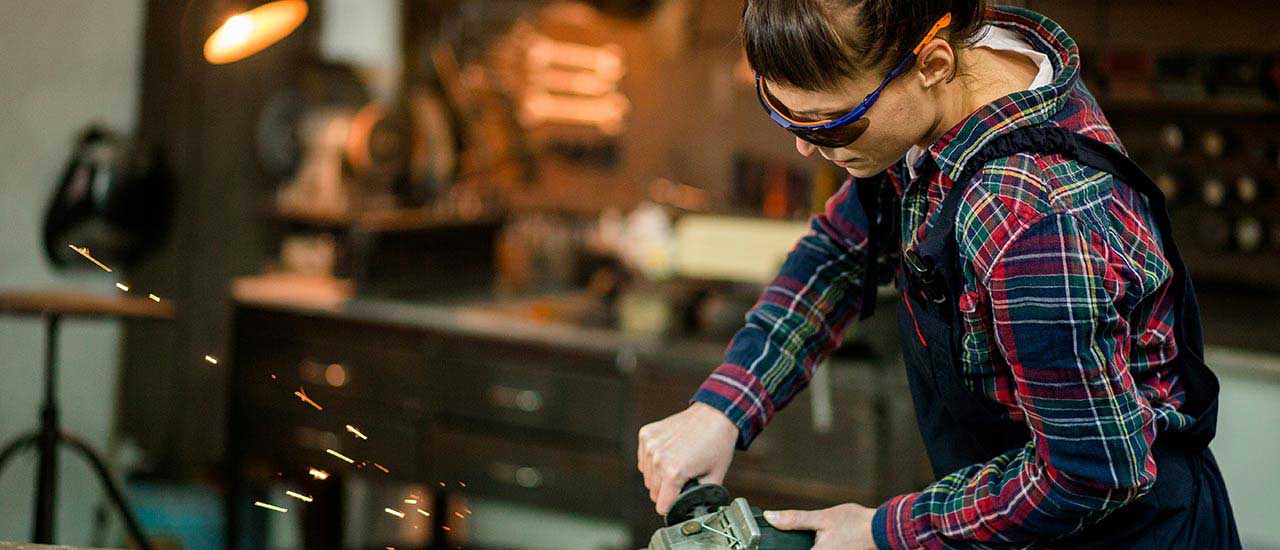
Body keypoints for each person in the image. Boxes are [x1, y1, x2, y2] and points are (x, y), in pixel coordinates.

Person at [636, 2, 1242, 548]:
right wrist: (720, 410)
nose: (805, 148)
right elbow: (843, 250)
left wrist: (880, 531)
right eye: (784, 114)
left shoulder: (1027, 219)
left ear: (932, 62)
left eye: (832, 125)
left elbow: (1092, 469)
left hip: (1126, 535)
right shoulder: (949, 81)